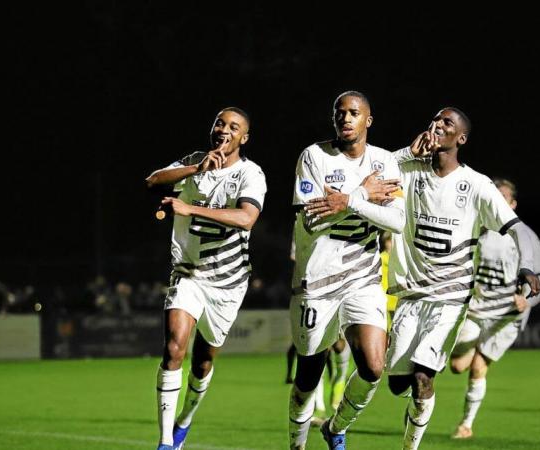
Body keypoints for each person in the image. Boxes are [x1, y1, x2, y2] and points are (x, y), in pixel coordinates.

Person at [384, 107, 540, 450]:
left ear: (462, 138)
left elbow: (521, 231)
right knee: (403, 382)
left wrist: (527, 268)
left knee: (431, 374)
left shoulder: (477, 185)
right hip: (415, 297)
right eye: (436, 120)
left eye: (447, 123)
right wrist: (406, 153)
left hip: (463, 303)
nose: (438, 125)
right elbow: (370, 168)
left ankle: (418, 443)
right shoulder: (409, 169)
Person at [288, 90, 405, 450]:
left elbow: (397, 221)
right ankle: (296, 444)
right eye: (340, 113)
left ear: (368, 120)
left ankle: (336, 427)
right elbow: (310, 218)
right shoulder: (314, 156)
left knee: (372, 366)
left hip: (363, 277)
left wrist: (346, 200)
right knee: (309, 375)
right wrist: (364, 195)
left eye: (354, 113)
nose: (346, 118)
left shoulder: (384, 163)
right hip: (316, 279)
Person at [145, 107, 267, 450]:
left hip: (227, 282)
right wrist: (196, 168)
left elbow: (246, 218)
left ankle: (185, 419)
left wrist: (191, 208)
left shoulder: (251, 174)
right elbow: (152, 181)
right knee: (173, 348)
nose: (223, 130)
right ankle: (166, 442)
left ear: (244, 137)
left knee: (203, 361)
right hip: (187, 273)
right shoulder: (194, 162)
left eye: (233, 126)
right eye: (219, 122)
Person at [449, 178, 540, 439]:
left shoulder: (525, 236)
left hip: (506, 316)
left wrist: (527, 300)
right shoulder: (476, 227)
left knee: (478, 366)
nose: (497, 201)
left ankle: (466, 425)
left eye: (503, 197)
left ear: (513, 204)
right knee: (458, 366)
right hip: (475, 310)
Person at [378, 230, 398, 329]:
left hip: (397, 301)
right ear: (385, 242)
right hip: (384, 301)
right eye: (390, 241)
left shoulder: (399, 259)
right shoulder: (380, 258)